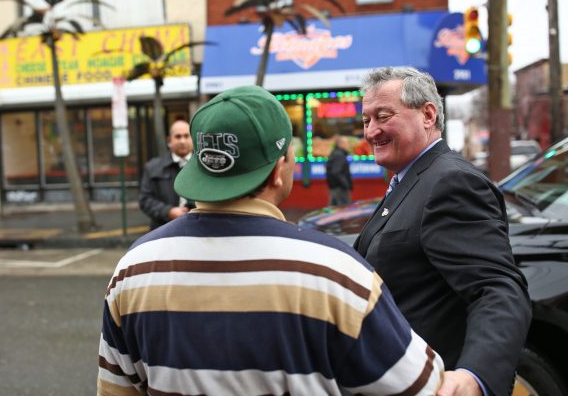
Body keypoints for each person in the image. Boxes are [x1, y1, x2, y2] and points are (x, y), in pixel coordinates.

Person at [97, 85, 445, 395]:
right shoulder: (336, 272)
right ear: (278, 170)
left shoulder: (133, 268)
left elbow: (116, 388)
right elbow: (421, 385)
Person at [354, 67, 531, 396]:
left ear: (428, 114)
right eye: (366, 120)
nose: (371, 131)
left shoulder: (450, 182)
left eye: (383, 116)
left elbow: (497, 288)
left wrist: (473, 377)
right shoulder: (410, 178)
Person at [138, 120, 195, 229]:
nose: (182, 141)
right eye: (178, 137)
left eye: (186, 136)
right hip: (162, 231)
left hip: (196, 231)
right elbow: (145, 200)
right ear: (169, 140)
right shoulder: (152, 167)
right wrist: (169, 211)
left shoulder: (203, 167)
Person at [326, 135, 353, 206]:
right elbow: (336, 172)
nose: (349, 145)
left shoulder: (335, 153)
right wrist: (345, 184)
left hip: (335, 188)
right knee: (343, 212)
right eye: (347, 143)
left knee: (333, 211)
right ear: (341, 144)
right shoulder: (339, 155)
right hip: (340, 189)